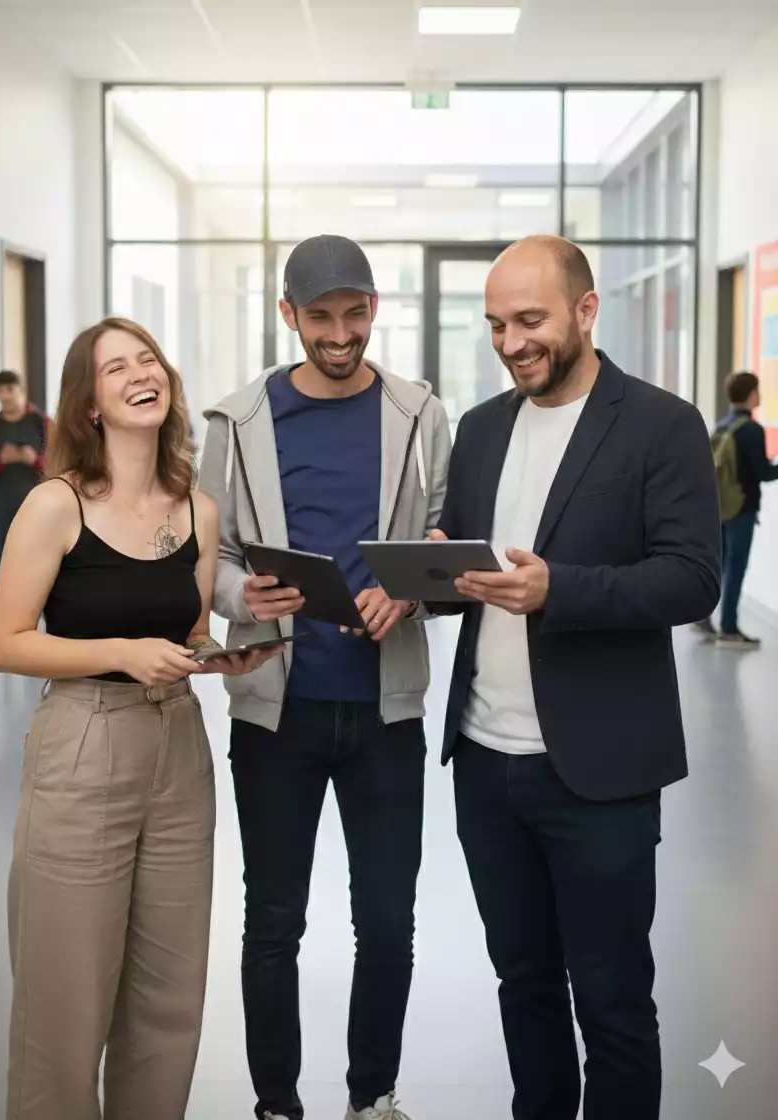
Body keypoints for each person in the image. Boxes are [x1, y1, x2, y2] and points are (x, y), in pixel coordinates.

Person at [428, 236, 720, 1120]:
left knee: (613, 1002)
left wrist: (559, 588)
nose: (510, 342)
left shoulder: (661, 425)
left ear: (586, 311)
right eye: (494, 325)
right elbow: (469, 572)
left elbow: (691, 576)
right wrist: (436, 571)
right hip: (485, 762)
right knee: (523, 984)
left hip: (597, 772)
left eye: (530, 321)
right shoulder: (480, 431)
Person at [0, 317, 280, 1120]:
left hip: (177, 746)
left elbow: (181, 631)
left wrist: (215, 654)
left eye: (148, 359)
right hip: (83, 742)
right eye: (116, 368)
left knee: (168, 1000)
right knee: (65, 1003)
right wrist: (120, 651)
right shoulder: (56, 506)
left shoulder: (198, 511)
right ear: (90, 406)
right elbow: (5, 644)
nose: (139, 374)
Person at [197, 234, 451, 1120]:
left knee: (387, 925)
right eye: (320, 317)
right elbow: (213, 553)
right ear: (288, 317)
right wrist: (244, 590)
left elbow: (442, 541)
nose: (339, 335)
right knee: (273, 925)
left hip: (386, 712)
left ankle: (370, 1097)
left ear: (374, 308)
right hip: (277, 715)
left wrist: (408, 591)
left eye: (354, 314)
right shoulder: (237, 422)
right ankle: (277, 1106)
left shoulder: (422, 414)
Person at [694, 370, 778, 649]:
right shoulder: (752, 429)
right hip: (742, 507)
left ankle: (702, 615)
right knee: (736, 570)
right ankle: (729, 629)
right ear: (751, 394)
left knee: (719, 566)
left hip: (719, 506)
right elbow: (763, 473)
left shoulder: (724, 424)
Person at [0, 370, 51, 563]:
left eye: (10, 389)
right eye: (0, 391)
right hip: (3, 508)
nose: (5, 396)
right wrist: (1, 461)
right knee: (8, 565)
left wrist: (34, 460)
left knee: (41, 564)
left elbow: (62, 464)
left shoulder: (42, 423)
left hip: (39, 507)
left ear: (21, 390)